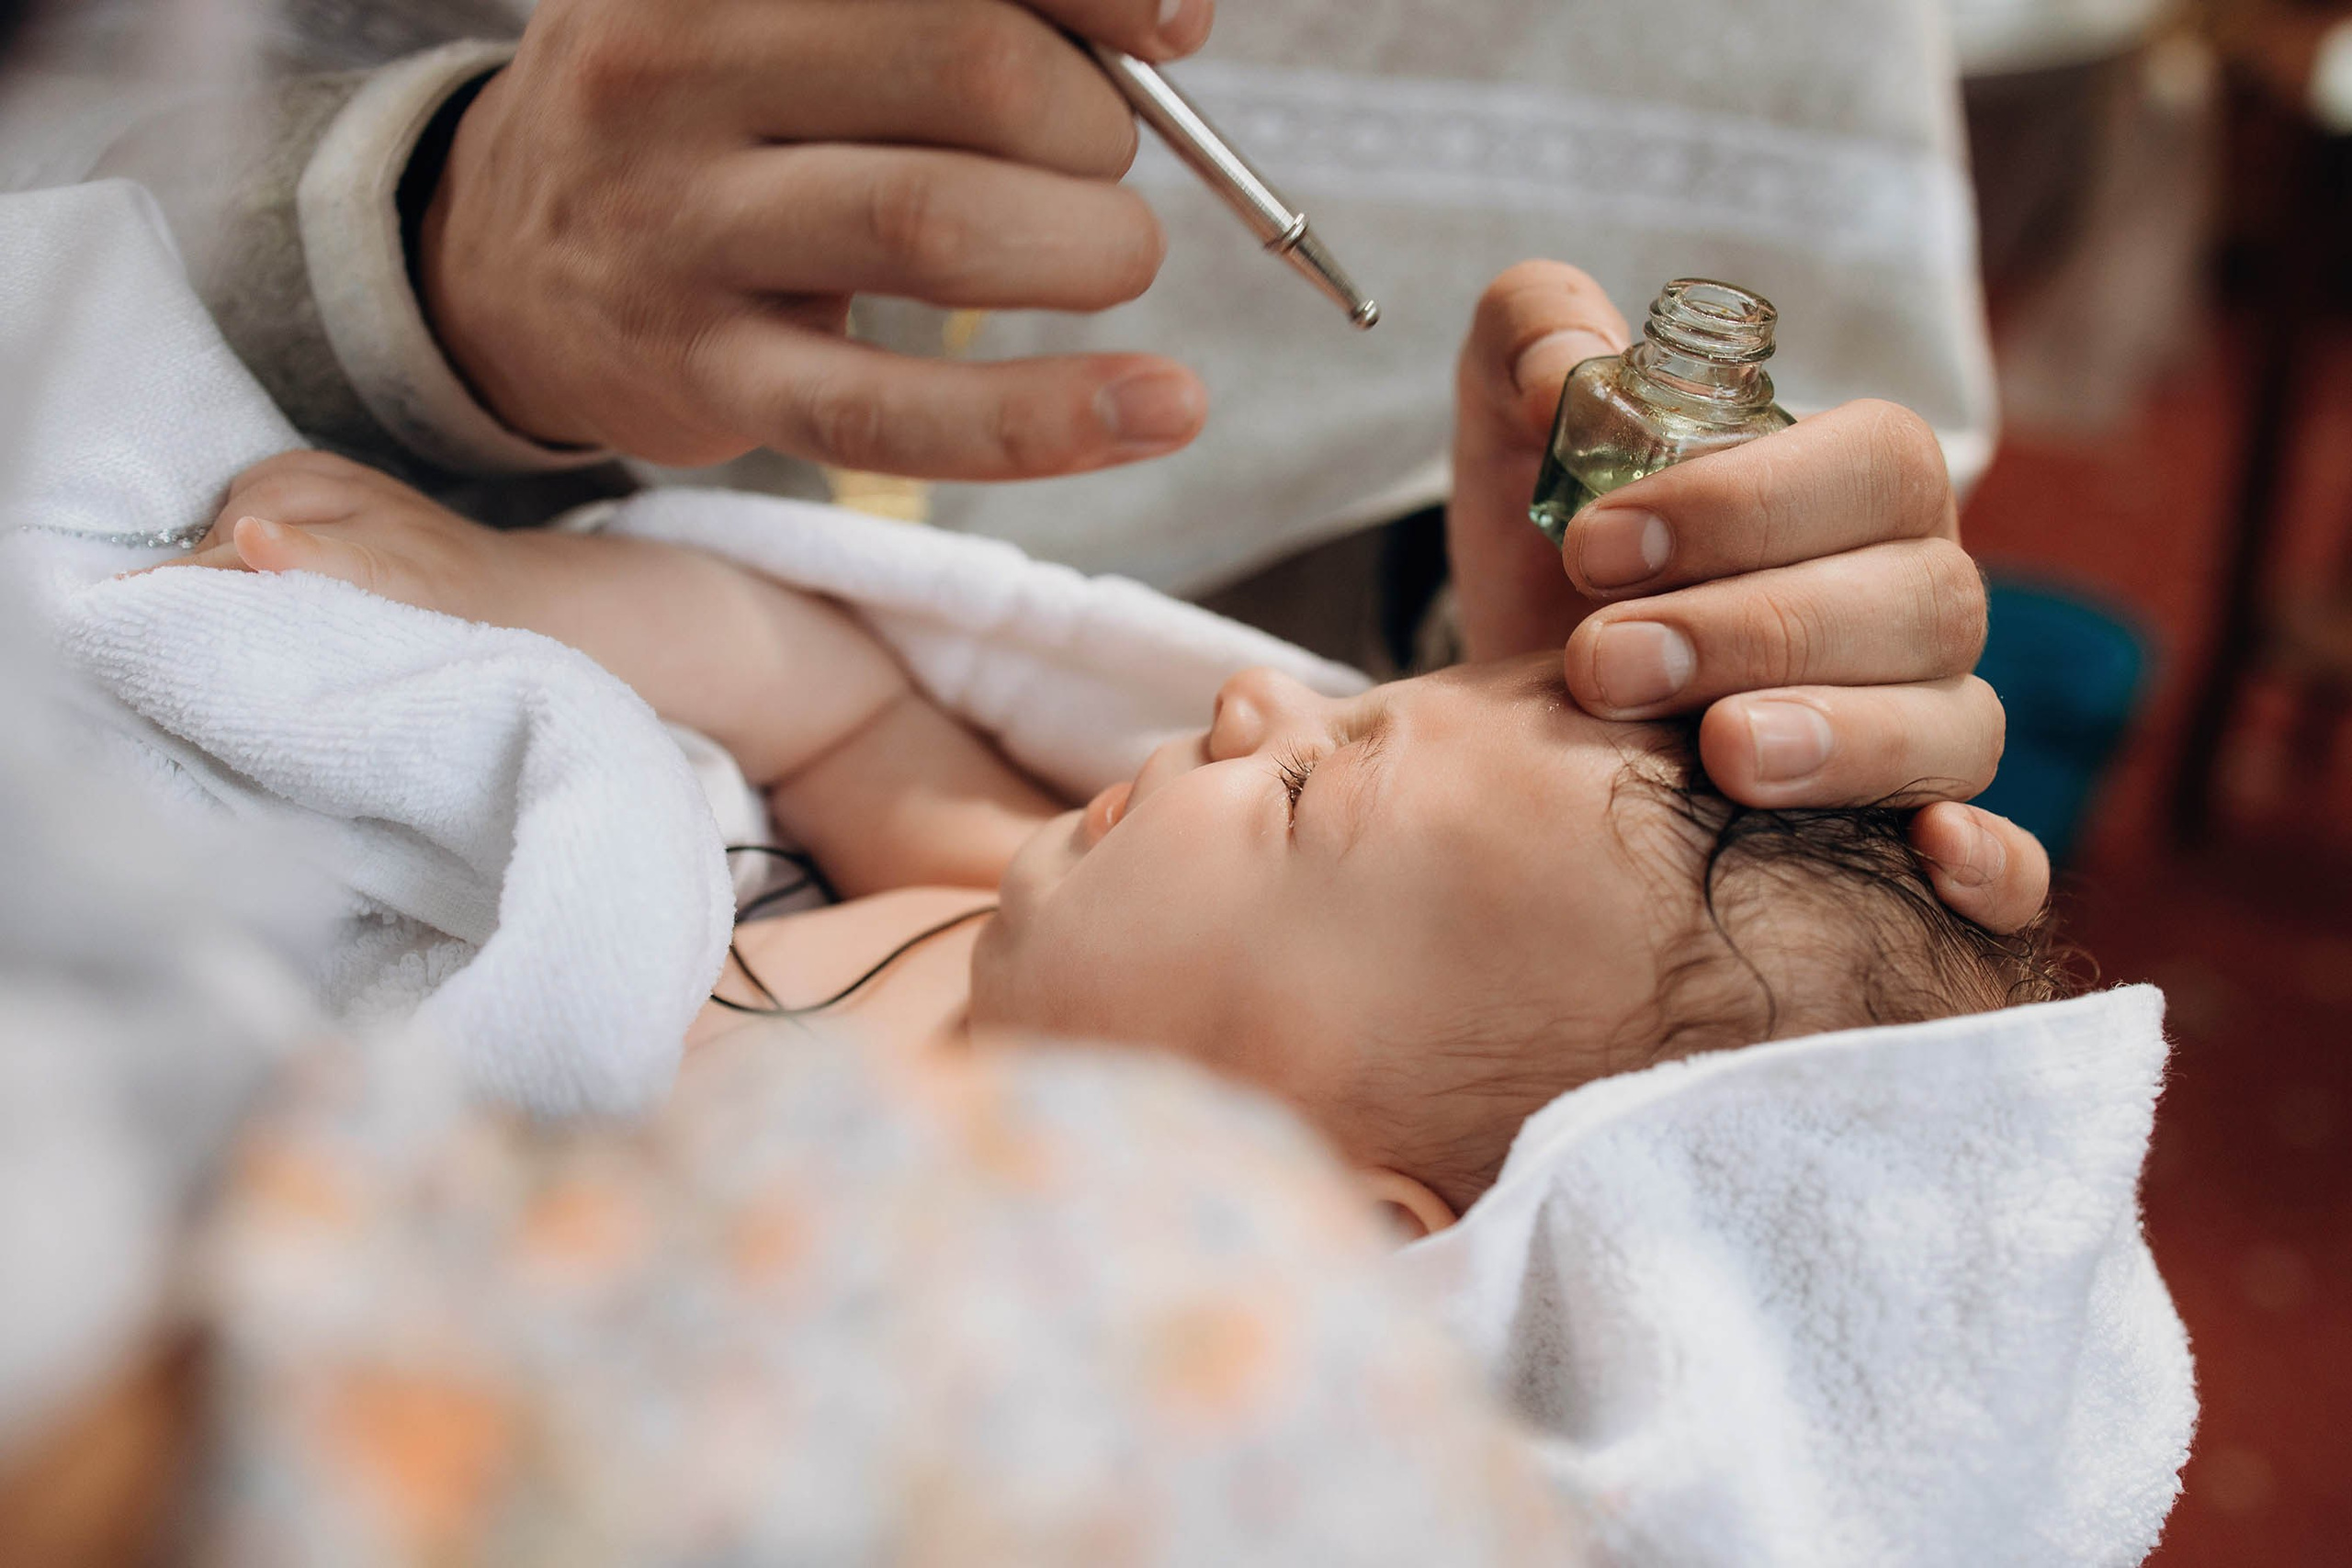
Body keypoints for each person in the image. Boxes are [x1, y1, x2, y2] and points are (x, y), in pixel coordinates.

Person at [166, 263, 2063, 1235]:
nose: (1254, 702)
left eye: (1313, 785)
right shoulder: (998, 872)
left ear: (1301, 1211)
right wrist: (490, 586)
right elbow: (821, 686)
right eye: (1335, 705)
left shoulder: (1004, 1306)